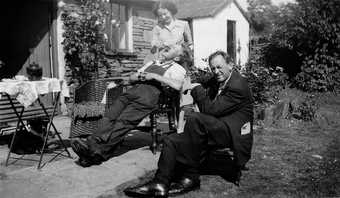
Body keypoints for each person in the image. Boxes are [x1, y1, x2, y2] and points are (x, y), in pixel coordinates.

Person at [124, 51, 254, 197]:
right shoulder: (220, 77)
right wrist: (185, 80)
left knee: (195, 119)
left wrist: (196, 88)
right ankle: (160, 183)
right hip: (217, 126)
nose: (216, 72)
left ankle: (189, 176)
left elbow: (210, 110)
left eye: (219, 67)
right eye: (213, 69)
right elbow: (199, 80)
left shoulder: (237, 85)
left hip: (232, 132)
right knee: (171, 140)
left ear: (230, 65)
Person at [70, 44, 191, 167]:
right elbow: (132, 78)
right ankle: (93, 148)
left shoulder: (177, 68)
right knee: (110, 116)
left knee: (123, 123)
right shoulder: (152, 63)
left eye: (169, 50)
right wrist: (137, 76)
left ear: (176, 58)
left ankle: (94, 151)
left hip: (148, 96)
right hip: (133, 90)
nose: (164, 50)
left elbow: (178, 85)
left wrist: (154, 76)